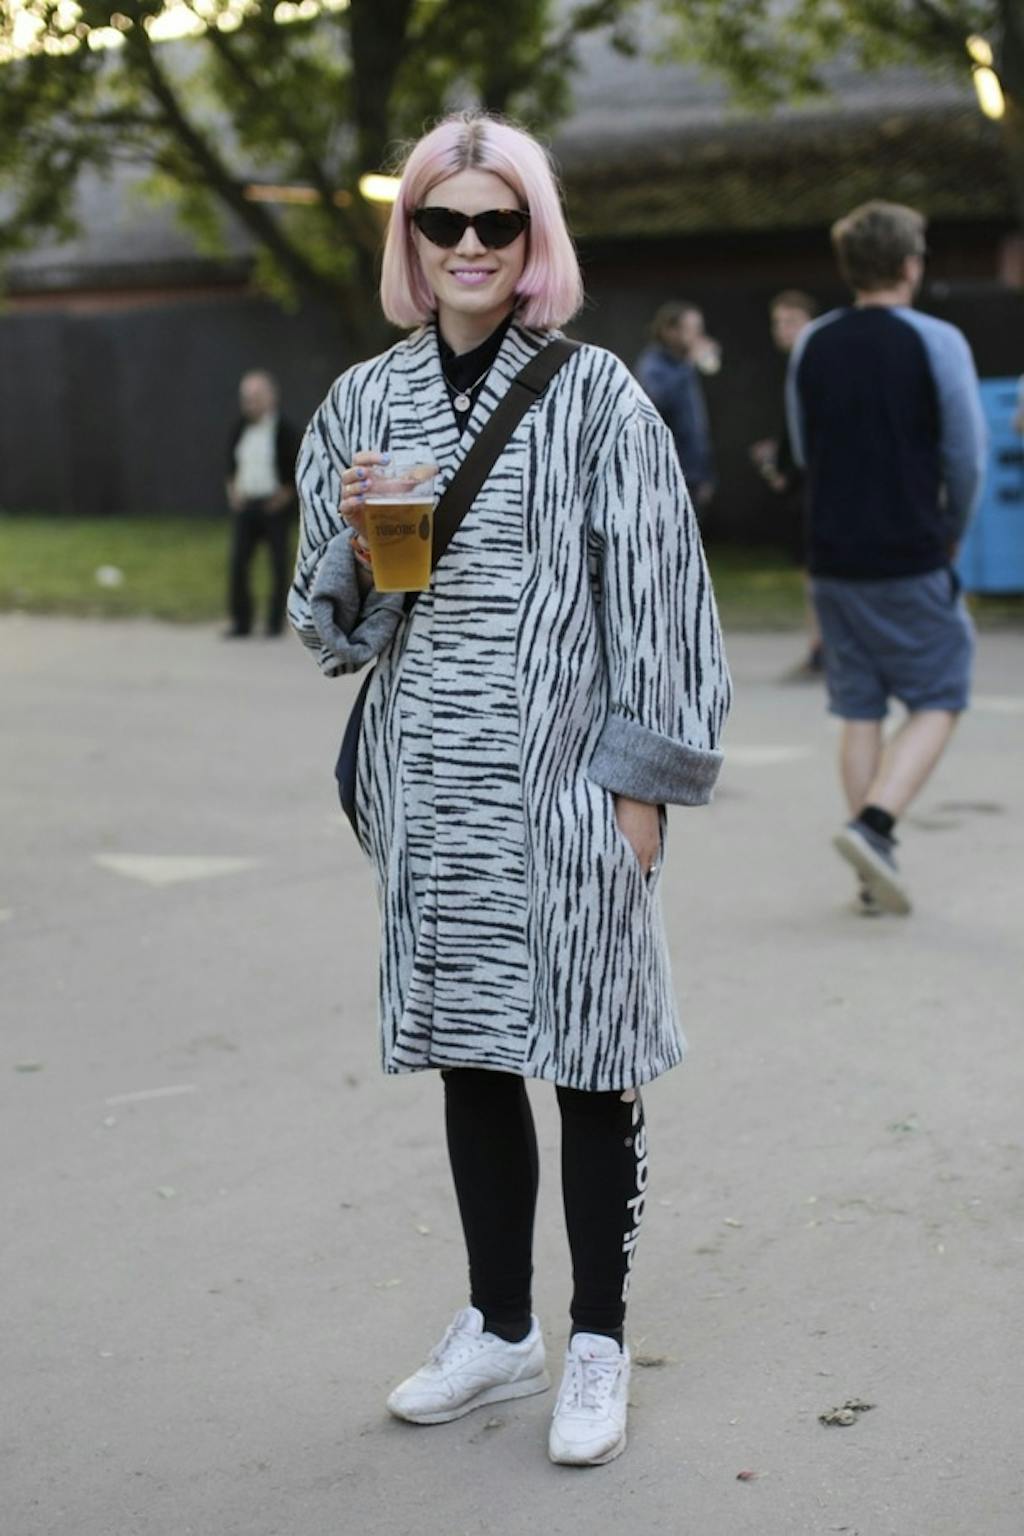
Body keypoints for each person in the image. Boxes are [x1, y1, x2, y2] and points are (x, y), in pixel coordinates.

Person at [288, 113, 730, 1466]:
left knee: (590, 1053)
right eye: (444, 221)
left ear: (535, 237)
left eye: (498, 221)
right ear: (410, 238)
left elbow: (657, 595)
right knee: (471, 1051)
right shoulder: (363, 403)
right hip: (432, 781)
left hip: (565, 781)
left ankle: (598, 1339)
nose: (470, 245)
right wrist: (358, 546)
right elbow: (339, 631)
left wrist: (642, 792)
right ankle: (499, 1326)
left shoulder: (599, 397)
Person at [787, 200, 986, 915]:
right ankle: (874, 825)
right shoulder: (938, 341)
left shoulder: (814, 342)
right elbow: (965, 456)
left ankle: (873, 876)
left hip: (832, 555)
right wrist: (952, 529)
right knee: (941, 692)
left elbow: (804, 446)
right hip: (908, 549)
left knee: (859, 705)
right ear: (909, 264)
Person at [749, 290, 823, 677]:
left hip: (816, 484)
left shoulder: (813, 364)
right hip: (805, 481)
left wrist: (786, 468)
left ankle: (823, 650)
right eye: (778, 322)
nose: (783, 329)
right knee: (813, 572)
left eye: (791, 321)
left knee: (818, 572)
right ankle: (821, 647)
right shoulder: (797, 365)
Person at [224, 370, 300, 637]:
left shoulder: (285, 430)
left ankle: (275, 622)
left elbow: (296, 467)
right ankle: (241, 621)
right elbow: (231, 464)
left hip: (274, 508)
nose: (249, 403)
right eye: (246, 398)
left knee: (279, 565)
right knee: (238, 564)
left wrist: (284, 496)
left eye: (255, 397)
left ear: (270, 397)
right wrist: (232, 491)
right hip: (246, 506)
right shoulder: (239, 428)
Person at [635, 301, 718, 510]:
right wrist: (689, 366)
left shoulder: (684, 365)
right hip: (666, 475)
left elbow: (695, 426)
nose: (698, 337)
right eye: (692, 329)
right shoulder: (653, 365)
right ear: (670, 331)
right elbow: (657, 403)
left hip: (693, 473)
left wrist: (705, 474)